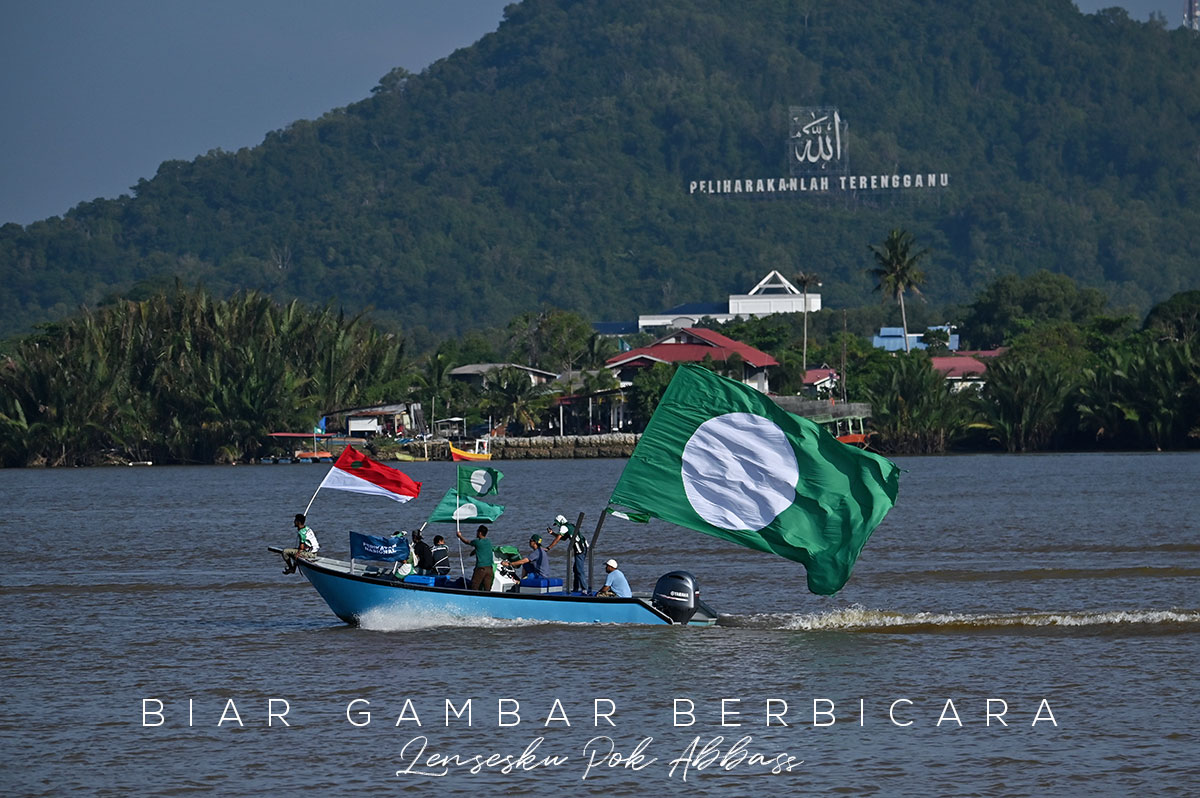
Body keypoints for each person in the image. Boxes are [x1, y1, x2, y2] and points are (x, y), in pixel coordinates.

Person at [546, 513, 589, 592]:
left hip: (579, 549)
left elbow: (558, 539)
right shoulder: (570, 525)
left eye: (558, 524)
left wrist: (549, 547)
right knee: (576, 569)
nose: (558, 526)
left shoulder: (564, 527)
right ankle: (576, 588)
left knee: (579, 570)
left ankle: (585, 589)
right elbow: (564, 538)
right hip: (584, 547)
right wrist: (552, 533)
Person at [456, 525, 495, 591]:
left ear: (480, 533)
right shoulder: (488, 541)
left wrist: (460, 536)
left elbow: (467, 542)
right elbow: (482, 548)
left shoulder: (477, 541)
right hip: (490, 569)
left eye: (477, 531)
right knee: (487, 589)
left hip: (481, 568)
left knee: (474, 586)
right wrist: (474, 552)